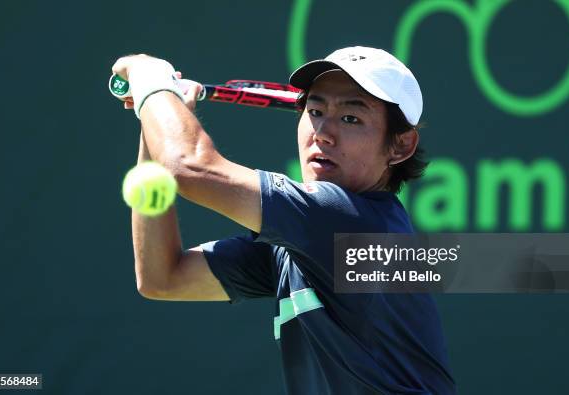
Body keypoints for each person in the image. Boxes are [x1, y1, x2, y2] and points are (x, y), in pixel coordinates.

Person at [112, 46, 456, 394]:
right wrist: (156, 120)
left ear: (400, 146)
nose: (323, 132)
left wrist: (150, 78)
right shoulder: (308, 241)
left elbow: (189, 166)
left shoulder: (348, 225)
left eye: (351, 118)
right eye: (316, 110)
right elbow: (163, 278)